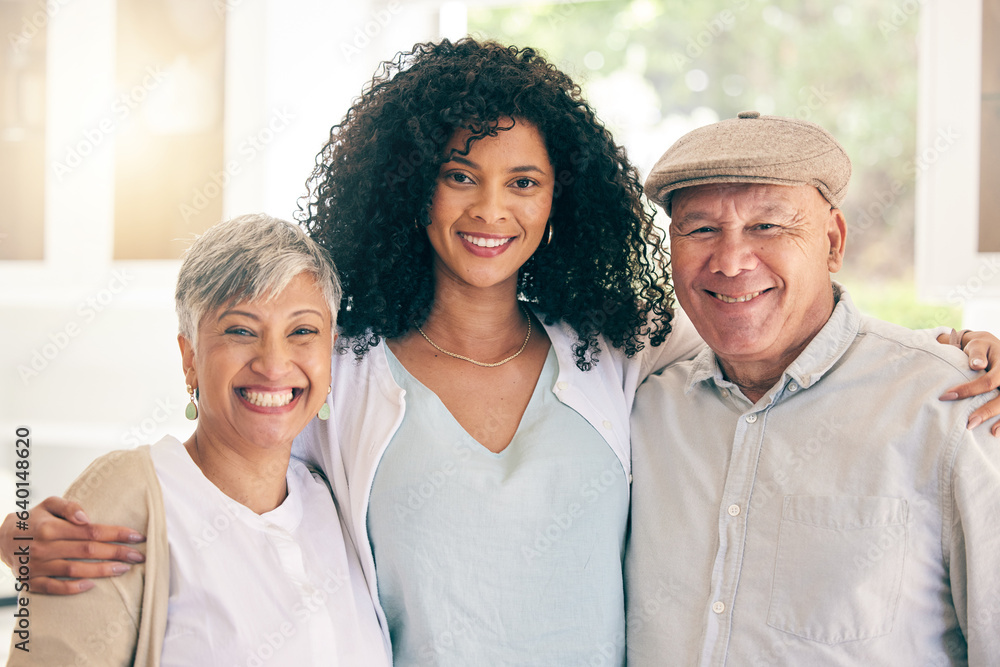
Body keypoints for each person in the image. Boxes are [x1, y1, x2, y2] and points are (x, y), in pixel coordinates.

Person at [2, 40, 999, 665]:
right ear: (411, 189)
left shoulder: (620, 357)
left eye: (523, 180)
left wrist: (967, 352)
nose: (491, 209)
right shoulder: (341, 370)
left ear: (560, 199)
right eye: (459, 175)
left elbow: (784, 335)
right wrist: (32, 532)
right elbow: (224, 476)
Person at [625, 111, 1000, 665]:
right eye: (701, 228)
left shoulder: (955, 408)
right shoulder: (640, 407)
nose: (730, 262)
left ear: (832, 240)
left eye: (768, 226)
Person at [6, 214, 390, 665]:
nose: (273, 363)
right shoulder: (131, 498)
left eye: (302, 331)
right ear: (190, 358)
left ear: (330, 350)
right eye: (241, 331)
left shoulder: (337, 500)